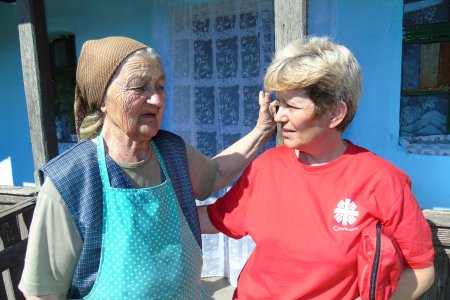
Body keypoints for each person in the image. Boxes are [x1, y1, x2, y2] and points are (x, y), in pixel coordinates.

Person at [18, 36, 275, 300]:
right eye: (140, 87)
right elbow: (43, 295)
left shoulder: (172, 151)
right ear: (103, 99)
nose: (157, 99)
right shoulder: (71, 182)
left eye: (160, 86)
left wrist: (263, 131)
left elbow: (216, 175)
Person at [199, 36, 435, 299]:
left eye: (293, 106)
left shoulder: (383, 181)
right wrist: (150, 209)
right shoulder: (266, 167)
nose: (278, 116)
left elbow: (422, 269)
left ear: (335, 113)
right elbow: (214, 217)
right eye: (280, 103)